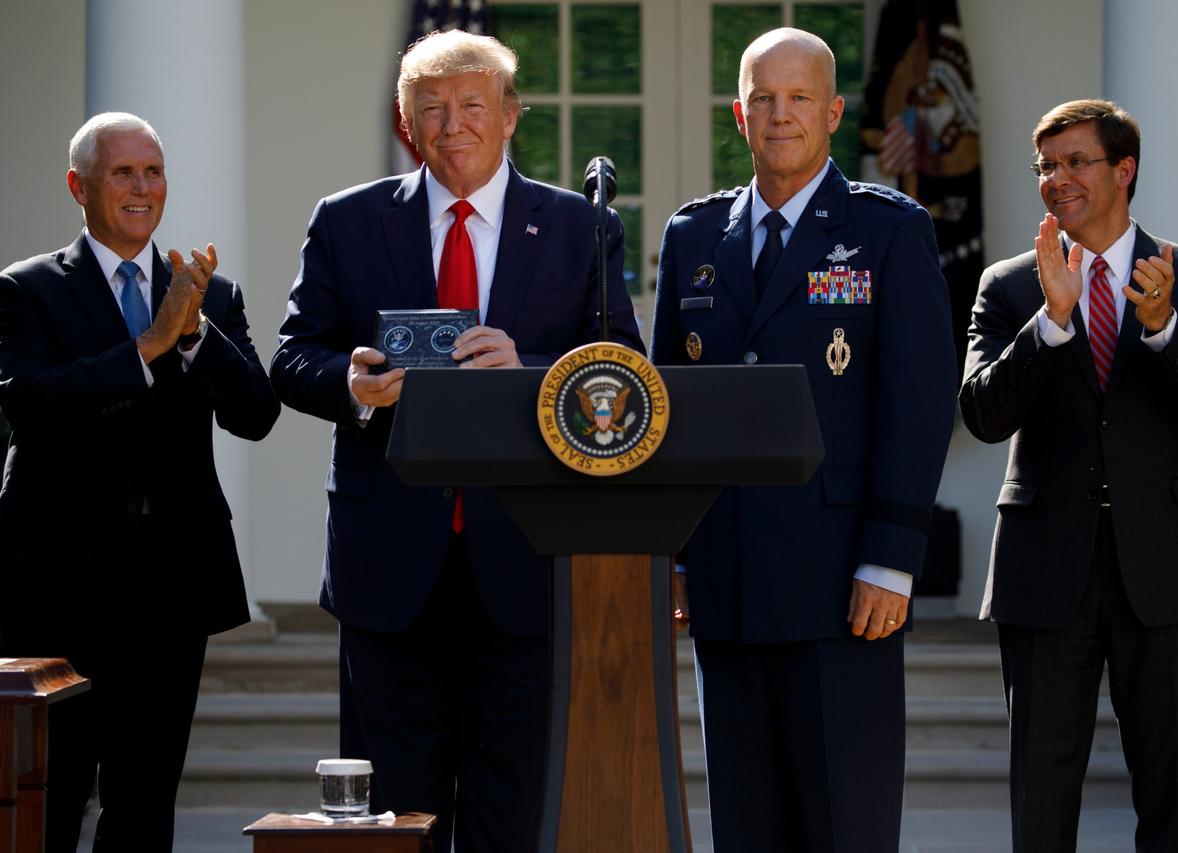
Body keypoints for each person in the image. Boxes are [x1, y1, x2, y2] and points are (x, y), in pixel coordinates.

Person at [270, 29, 642, 853]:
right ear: (407, 123)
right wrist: (353, 386)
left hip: (524, 563)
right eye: (430, 109)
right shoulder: (348, 221)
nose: (453, 126)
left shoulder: (580, 226)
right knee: (395, 817)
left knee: (512, 810)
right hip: (389, 568)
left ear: (510, 117)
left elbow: (623, 369)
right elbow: (292, 357)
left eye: (473, 106)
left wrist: (531, 371)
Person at [650, 28, 956, 852]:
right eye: (763, 99)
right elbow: (664, 405)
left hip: (841, 583)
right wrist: (673, 552)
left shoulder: (888, 230)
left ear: (832, 112)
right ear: (739, 114)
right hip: (725, 578)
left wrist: (891, 556)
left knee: (842, 825)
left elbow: (919, 403)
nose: (779, 115)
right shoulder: (692, 238)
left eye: (798, 99)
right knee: (746, 827)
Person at [959, 99, 1178, 852]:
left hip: (1168, 564)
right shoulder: (1010, 286)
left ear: (1123, 170)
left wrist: (1164, 329)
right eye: (1045, 166)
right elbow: (983, 415)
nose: (1055, 179)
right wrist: (1050, 325)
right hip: (1045, 566)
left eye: (1074, 161)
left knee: (1170, 789)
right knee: (1042, 794)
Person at [0, 112, 279, 852]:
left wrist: (192, 336)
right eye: (123, 172)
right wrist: (147, 345)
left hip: (172, 588)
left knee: (145, 804)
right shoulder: (25, 290)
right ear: (79, 186)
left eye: (153, 171)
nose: (141, 187)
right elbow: (26, 401)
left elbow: (256, 414)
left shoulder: (211, 298)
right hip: (56, 589)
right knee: (49, 800)